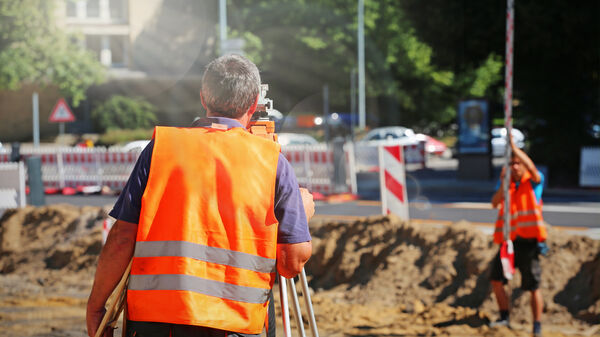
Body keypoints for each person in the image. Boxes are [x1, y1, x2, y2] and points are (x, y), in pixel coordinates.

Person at [86, 54, 314, 337]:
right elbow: (292, 263)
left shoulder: (161, 150)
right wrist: (300, 213)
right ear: (255, 104)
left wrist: (97, 306)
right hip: (235, 327)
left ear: (204, 97)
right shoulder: (271, 162)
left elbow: (122, 238)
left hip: (156, 324)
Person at [489, 136, 547, 337]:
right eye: (511, 163)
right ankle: (504, 316)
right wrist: (504, 183)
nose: (515, 167)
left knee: (533, 286)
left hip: (528, 243)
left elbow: (532, 169)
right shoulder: (508, 185)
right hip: (509, 241)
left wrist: (514, 148)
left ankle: (537, 325)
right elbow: (494, 203)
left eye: (517, 163)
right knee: (496, 280)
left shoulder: (533, 182)